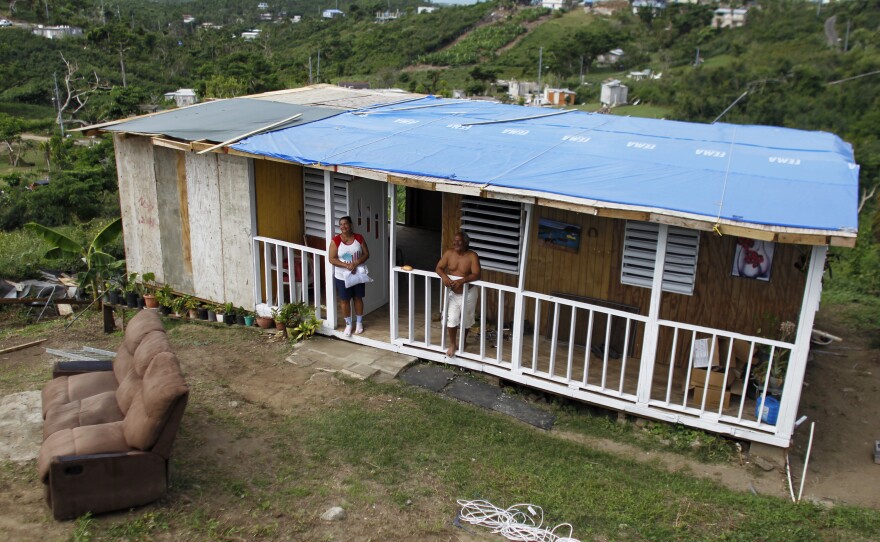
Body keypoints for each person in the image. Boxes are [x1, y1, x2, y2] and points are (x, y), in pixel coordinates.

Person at [435, 231, 481, 357]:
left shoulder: (472, 256)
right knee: (452, 319)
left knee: (466, 319)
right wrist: (444, 276)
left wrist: (462, 281)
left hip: (469, 293)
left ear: (466, 242)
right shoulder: (449, 253)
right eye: (455, 240)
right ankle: (452, 344)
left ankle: (463, 341)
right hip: (453, 293)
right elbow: (438, 267)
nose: (456, 243)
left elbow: (477, 274)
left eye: (459, 240)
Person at [328, 215, 370, 336]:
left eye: (345, 224)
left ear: (350, 225)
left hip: (357, 274)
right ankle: (348, 324)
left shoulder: (358, 238)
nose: (343, 226)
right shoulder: (335, 241)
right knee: (344, 300)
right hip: (342, 275)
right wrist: (345, 265)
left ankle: (359, 323)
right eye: (341, 224)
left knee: (358, 298)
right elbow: (331, 259)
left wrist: (356, 262)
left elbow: (366, 254)